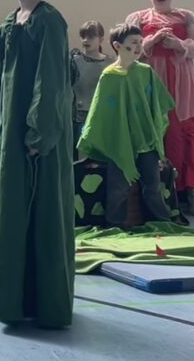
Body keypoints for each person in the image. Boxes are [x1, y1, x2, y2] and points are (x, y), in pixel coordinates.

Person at [0, 0, 75, 328]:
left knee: (41, 210)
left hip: (36, 138)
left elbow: (50, 83)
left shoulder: (49, 22)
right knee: (10, 209)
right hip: (9, 133)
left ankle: (42, 300)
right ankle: (8, 296)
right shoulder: (8, 23)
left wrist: (39, 134)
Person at [77, 24, 188, 228]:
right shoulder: (109, 76)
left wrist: (155, 128)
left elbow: (159, 103)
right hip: (119, 142)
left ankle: (162, 222)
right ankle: (116, 224)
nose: (138, 47)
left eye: (140, 42)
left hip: (145, 139)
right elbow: (100, 112)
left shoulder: (145, 72)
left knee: (152, 185)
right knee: (118, 187)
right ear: (118, 46)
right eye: (133, 43)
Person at [125, 0, 194, 215]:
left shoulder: (187, 17)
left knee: (186, 135)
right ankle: (153, 194)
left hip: (181, 83)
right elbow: (126, 50)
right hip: (150, 80)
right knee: (151, 134)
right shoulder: (137, 18)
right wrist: (151, 41)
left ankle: (193, 193)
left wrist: (178, 44)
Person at [70, 20, 108, 144]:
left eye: (91, 37)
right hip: (78, 115)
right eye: (83, 36)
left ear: (101, 39)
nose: (86, 40)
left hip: (101, 114)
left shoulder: (110, 64)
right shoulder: (73, 62)